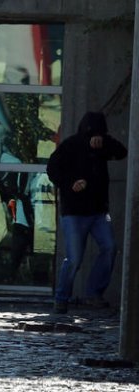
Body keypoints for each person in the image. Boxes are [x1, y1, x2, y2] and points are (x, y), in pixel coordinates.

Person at [47, 112, 127, 314]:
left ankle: (94, 292)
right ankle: (61, 298)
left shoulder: (103, 147)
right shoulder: (71, 145)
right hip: (74, 212)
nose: (95, 138)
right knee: (74, 258)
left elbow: (122, 152)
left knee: (110, 247)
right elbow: (52, 168)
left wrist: (105, 141)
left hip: (100, 212)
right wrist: (70, 183)